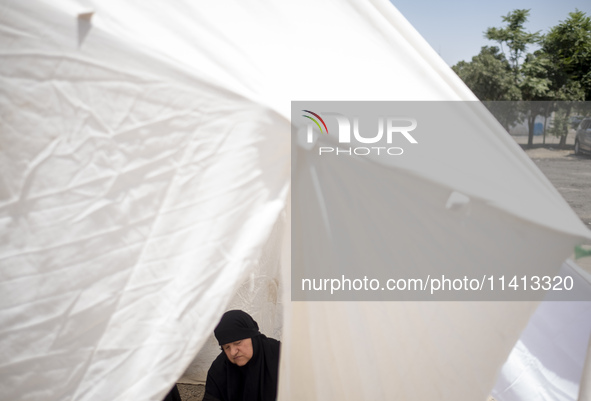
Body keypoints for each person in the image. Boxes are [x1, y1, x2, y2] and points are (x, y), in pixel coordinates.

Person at [202, 310, 280, 401]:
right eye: (226, 347)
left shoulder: (280, 355)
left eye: (237, 343)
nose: (232, 352)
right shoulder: (219, 369)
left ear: (253, 337)